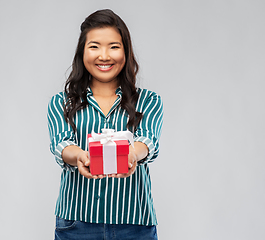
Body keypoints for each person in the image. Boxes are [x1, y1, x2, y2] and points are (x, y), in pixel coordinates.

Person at [47, 9, 163, 240]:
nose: (104, 55)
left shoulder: (149, 100)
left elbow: (148, 140)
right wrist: (80, 156)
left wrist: (132, 154)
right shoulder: (62, 102)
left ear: (125, 52)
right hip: (77, 221)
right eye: (94, 46)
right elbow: (61, 143)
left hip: (134, 222)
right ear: (82, 52)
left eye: (114, 46)